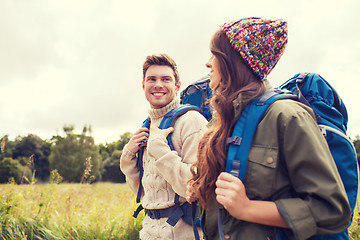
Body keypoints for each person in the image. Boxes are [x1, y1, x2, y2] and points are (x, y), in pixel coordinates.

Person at [187, 17, 351, 240]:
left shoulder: (288, 116)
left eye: (215, 54)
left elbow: (332, 211)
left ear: (235, 62)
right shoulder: (220, 121)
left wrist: (247, 208)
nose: (208, 63)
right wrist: (201, 189)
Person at [120, 53, 207, 240]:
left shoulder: (192, 122)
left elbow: (194, 188)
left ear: (177, 86)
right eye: (151, 79)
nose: (158, 84)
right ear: (143, 85)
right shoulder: (146, 126)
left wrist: (159, 150)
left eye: (165, 79)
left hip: (185, 233)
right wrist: (128, 156)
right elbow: (144, 194)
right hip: (149, 232)